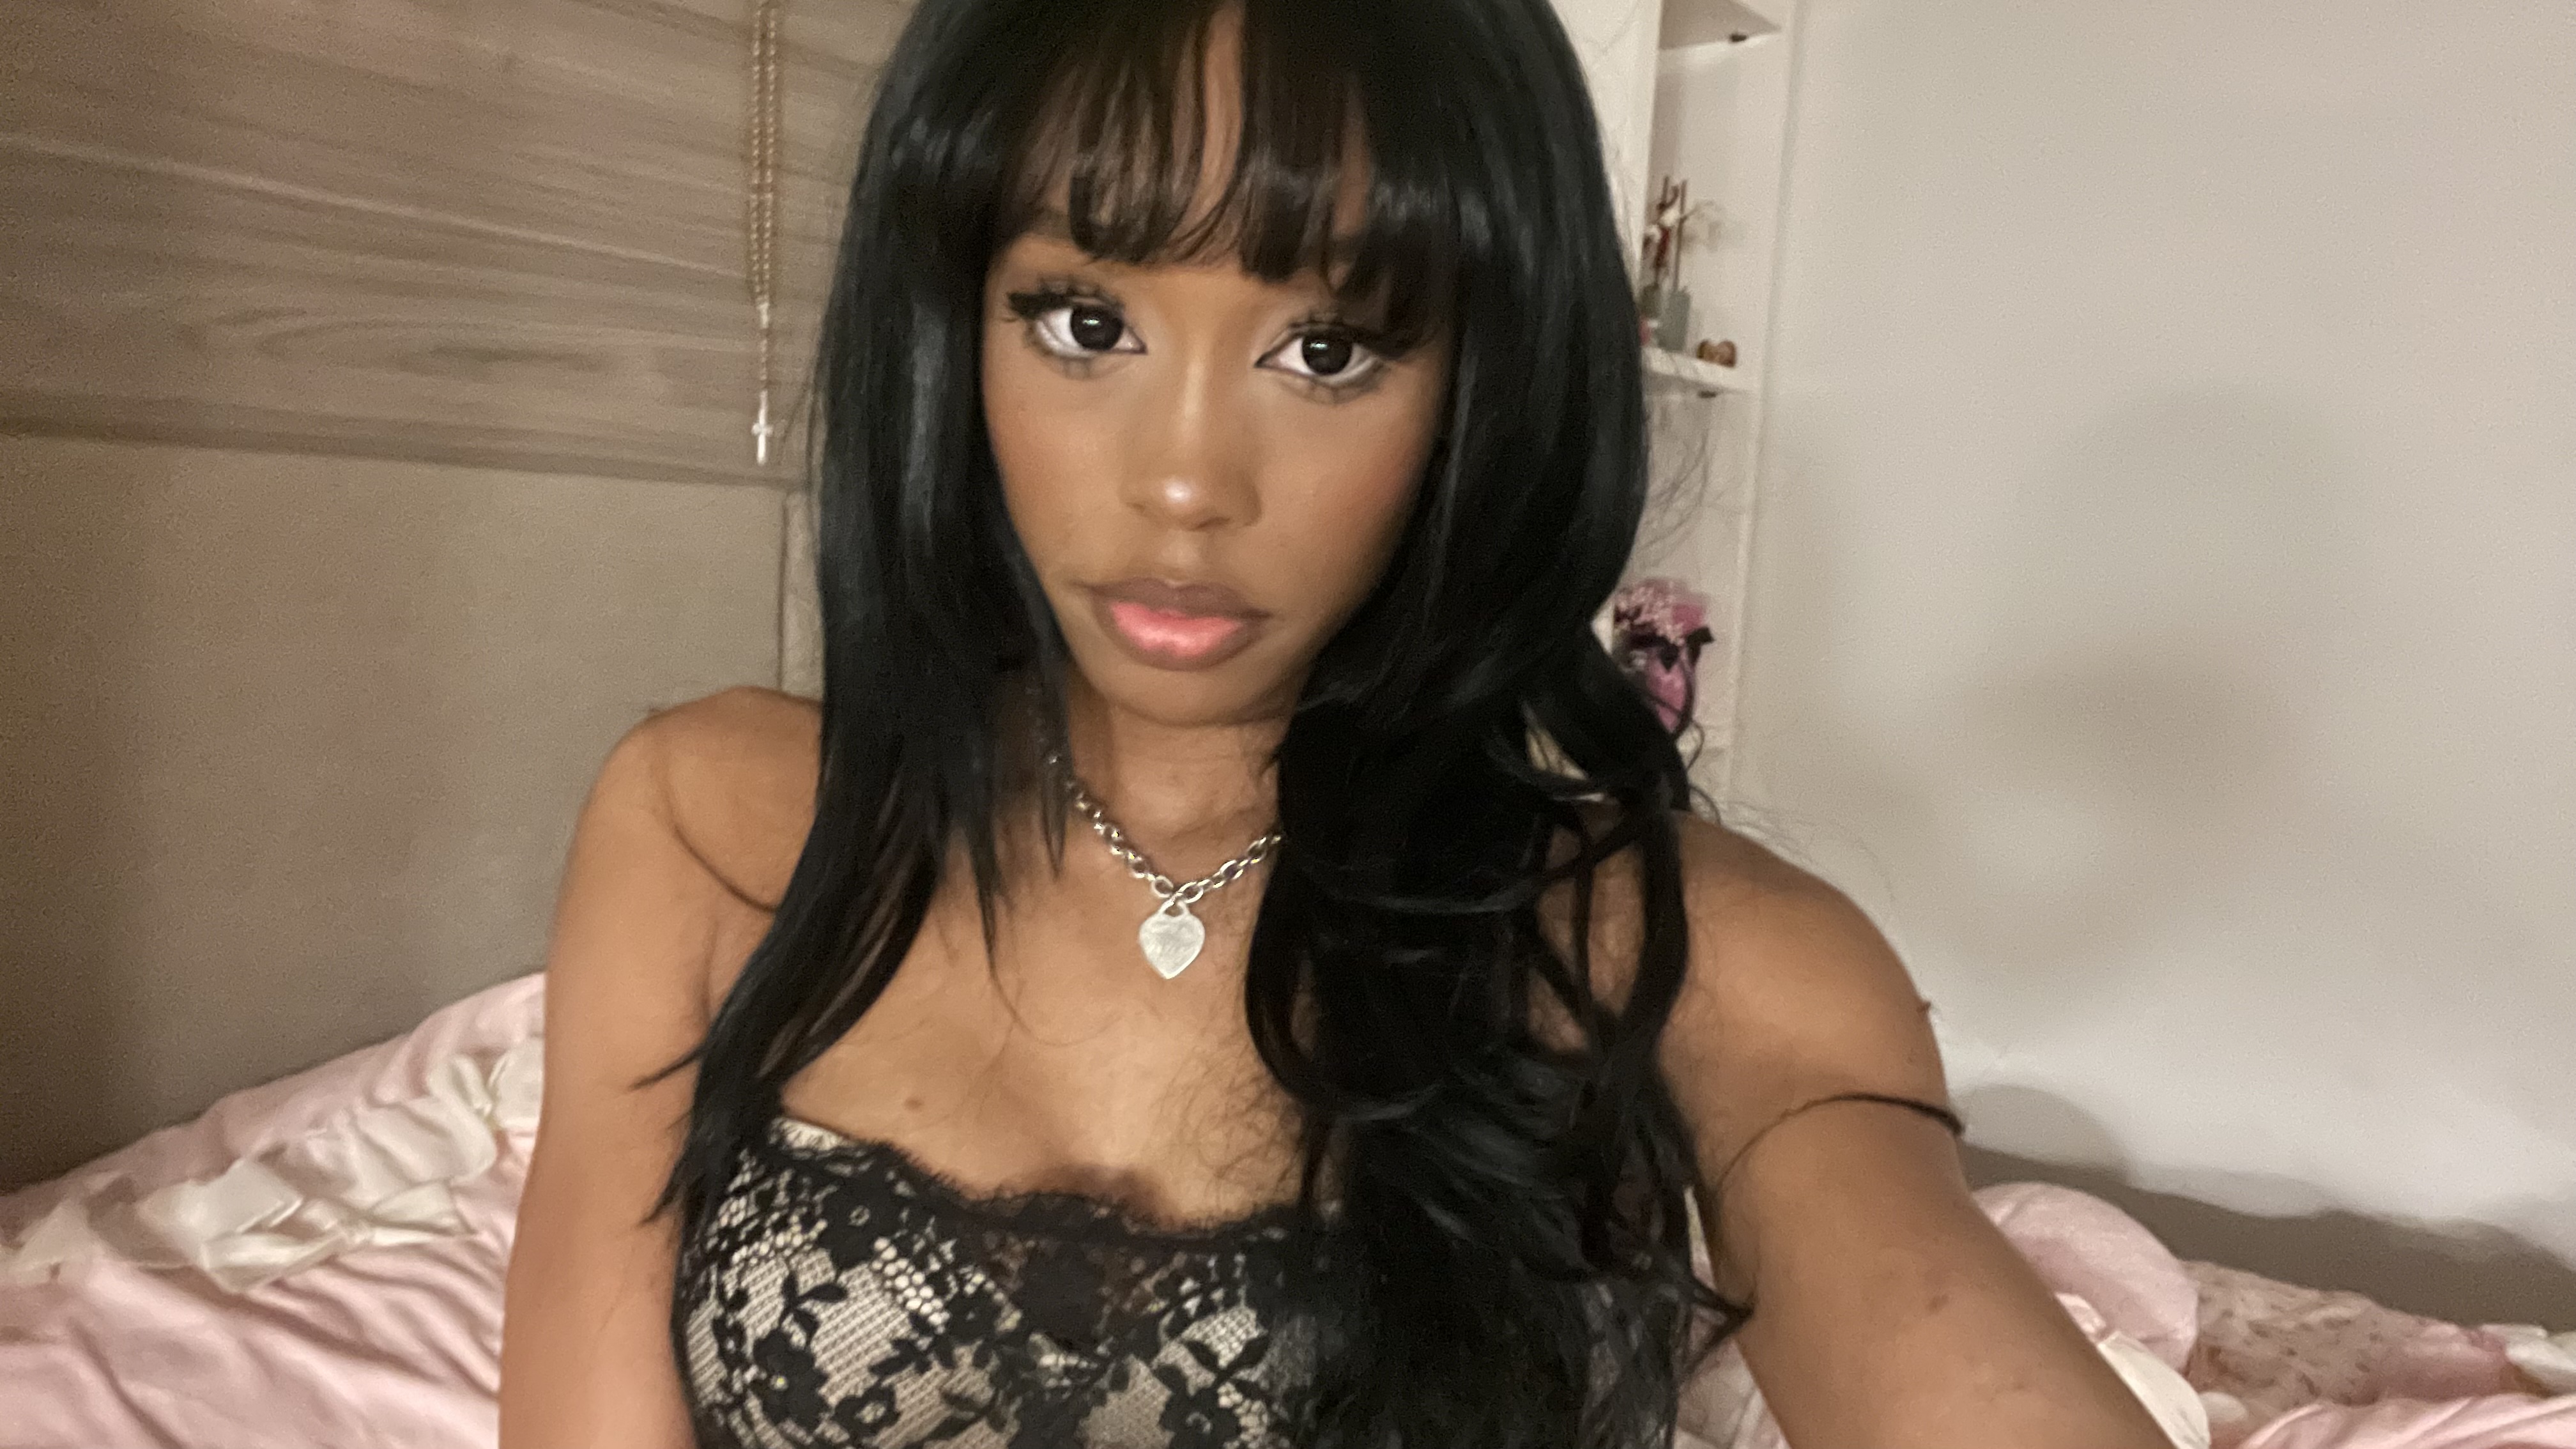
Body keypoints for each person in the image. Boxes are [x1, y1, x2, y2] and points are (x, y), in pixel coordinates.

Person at [497, 0, 2176, 1445]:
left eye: (1327, 348)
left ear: (1478, 387)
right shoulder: (706, 823)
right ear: (951, 323)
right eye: (1086, 323)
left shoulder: (1704, 959)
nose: (1185, 484)